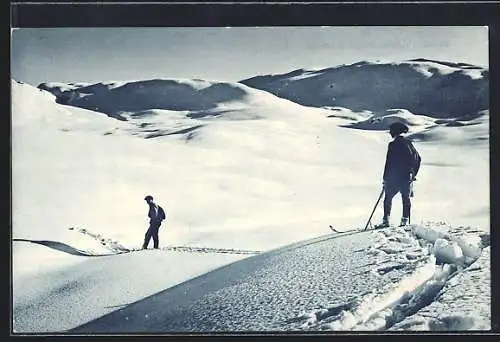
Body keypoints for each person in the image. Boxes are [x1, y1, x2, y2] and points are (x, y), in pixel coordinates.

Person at [378, 122, 421, 228]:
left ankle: (386, 221)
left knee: (388, 198)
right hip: (406, 177)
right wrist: (413, 174)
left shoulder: (392, 145)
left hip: (394, 177)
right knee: (406, 199)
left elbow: (389, 163)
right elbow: (418, 158)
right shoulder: (409, 143)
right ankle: (404, 221)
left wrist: (385, 178)